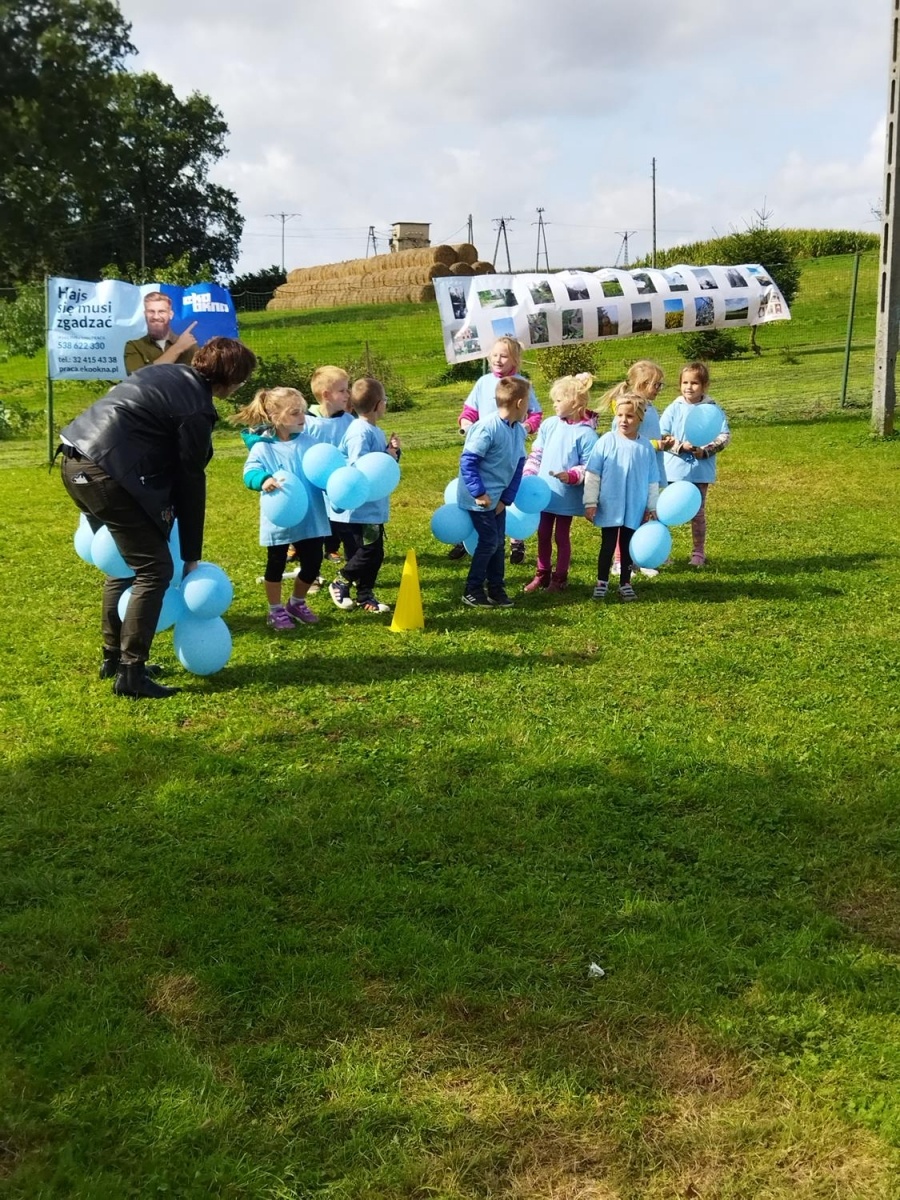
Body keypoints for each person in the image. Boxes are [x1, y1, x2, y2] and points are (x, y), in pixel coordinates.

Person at [59, 337, 257, 697]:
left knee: (123, 562)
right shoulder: (196, 407)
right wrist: (192, 556)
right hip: (106, 471)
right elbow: (190, 482)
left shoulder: (168, 372)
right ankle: (131, 674)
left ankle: (113, 658)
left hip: (73, 460)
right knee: (155, 569)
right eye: (242, 380)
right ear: (230, 379)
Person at [231, 387, 331, 630]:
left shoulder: (310, 443)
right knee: (276, 562)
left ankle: (296, 602)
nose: (302, 417)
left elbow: (325, 466)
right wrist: (263, 479)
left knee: (314, 562)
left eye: (303, 412)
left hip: (310, 514)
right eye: (295, 412)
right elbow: (250, 472)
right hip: (280, 516)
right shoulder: (263, 447)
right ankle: (275, 609)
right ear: (275, 416)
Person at [449, 336, 542, 564]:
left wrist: (526, 427)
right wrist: (465, 423)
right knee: (479, 491)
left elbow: (536, 413)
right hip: (485, 449)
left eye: (504, 356)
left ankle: (516, 540)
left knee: (506, 492)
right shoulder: (483, 382)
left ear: (515, 360)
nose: (498, 360)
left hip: (509, 451)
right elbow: (470, 410)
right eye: (495, 355)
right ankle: (465, 537)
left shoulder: (522, 385)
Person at [328, 377, 400, 614]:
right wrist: (387, 456)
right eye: (386, 400)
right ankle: (341, 580)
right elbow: (361, 468)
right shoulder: (360, 432)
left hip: (372, 506)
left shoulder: (373, 430)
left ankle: (364, 595)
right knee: (370, 551)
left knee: (369, 552)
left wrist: (391, 453)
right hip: (358, 509)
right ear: (379, 404)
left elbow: (379, 465)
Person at [521, 372, 598, 593]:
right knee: (543, 533)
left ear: (574, 402)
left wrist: (572, 475)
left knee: (561, 536)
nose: (553, 405)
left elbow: (589, 467)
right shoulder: (549, 425)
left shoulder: (587, 435)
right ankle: (542, 574)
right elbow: (537, 453)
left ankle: (560, 578)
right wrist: (529, 475)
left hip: (566, 496)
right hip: (544, 494)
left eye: (558, 400)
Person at [457, 376, 529, 608]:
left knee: (497, 543)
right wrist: (479, 493)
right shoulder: (486, 428)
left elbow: (519, 466)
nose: (530, 407)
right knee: (489, 542)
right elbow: (468, 462)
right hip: (478, 499)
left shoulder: (517, 431)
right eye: (528, 401)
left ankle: (496, 589)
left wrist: (506, 499)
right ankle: (472, 589)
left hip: (497, 500)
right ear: (519, 403)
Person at [583, 393, 659, 602]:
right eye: (620, 415)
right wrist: (590, 502)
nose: (624, 420)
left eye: (630, 416)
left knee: (627, 546)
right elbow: (593, 473)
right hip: (610, 504)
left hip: (635, 505)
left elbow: (652, 480)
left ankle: (625, 583)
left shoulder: (645, 448)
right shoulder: (607, 441)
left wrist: (651, 506)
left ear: (640, 419)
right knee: (607, 545)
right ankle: (602, 582)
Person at [660, 361, 731, 567]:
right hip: (674, 470)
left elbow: (724, 436)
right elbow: (662, 434)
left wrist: (705, 450)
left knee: (697, 513)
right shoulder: (674, 408)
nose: (689, 387)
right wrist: (680, 446)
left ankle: (698, 553)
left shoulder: (712, 409)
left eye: (694, 383)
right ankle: (662, 552)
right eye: (685, 382)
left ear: (704, 386)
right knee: (665, 510)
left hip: (700, 471)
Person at [606, 360, 673, 578]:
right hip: (631, 474)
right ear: (643, 384)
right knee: (626, 517)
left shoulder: (650, 408)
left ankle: (643, 557)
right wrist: (656, 445)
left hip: (650, 471)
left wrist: (663, 441)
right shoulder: (629, 410)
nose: (659, 389)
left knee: (648, 514)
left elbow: (648, 436)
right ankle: (619, 562)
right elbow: (623, 440)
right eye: (657, 385)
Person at [304, 365, 354, 566]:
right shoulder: (307, 421)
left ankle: (333, 548)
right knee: (316, 517)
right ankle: (306, 554)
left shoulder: (349, 421)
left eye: (347, 389)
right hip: (313, 480)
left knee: (339, 518)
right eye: (342, 390)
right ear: (326, 395)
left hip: (339, 479)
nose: (348, 394)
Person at [123, 291, 198, 375]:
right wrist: (178, 348)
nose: (156, 316)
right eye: (151, 311)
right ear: (145, 314)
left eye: (161, 311)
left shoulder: (190, 347)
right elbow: (138, 378)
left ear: (170, 314)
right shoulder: (134, 346)